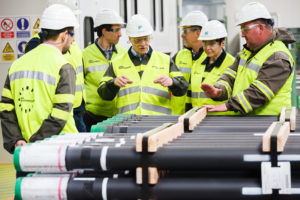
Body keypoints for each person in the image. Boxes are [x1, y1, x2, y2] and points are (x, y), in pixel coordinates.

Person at [0, 4, 78, 154]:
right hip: (59, 151)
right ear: (64, 34)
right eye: (72, 35)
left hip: (23, 151)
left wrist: (17, 140)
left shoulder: (17, 64)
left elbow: (5, 108)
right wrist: (35, 144)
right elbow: (60, 115)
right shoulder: (63, 65)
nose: (73, 41)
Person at [201, 2, 295, 115]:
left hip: (269, 124)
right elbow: (230, 76)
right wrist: (219, 91)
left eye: (245, 29)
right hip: (248, 122)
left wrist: (228, 105)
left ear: (260, 28)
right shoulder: (246, 53)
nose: (242, 35)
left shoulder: (277, 56)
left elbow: (260, 93)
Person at [98, 14, 188, 115]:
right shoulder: (116, 63)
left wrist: (172, 82)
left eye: (146, 39)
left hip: (159, 124)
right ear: (130, 39)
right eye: (138, 40)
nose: (143, 44)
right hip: (127, 124)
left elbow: (183, 88)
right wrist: (113, 83)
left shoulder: (165, 60)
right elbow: (103, 94)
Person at [23, 9, 86, 132]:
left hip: (76, 107)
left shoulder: (72, 42)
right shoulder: (35, 45)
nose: (73, 38)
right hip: (56, 108)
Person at [82, 9, 127, 131]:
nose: (120, 34)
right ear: (104, 31)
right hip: (92, 118)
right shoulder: (85, 55)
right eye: (116, 30)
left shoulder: (123, 54)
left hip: (118, 117)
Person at [190, 20, 235, 111]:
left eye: (211, 44)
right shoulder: (197, 63)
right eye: (204, 43)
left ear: (222, 43)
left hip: (221, 119)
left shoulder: (232, 64)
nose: (207, 48)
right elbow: (189, 94)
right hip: (197, 117)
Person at [172, 11, 208, 114]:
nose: (182, 35)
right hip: (178, 119)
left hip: (203, 120)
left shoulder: (213, 59)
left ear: (198, 33)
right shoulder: (179, 56)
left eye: (185, 31)